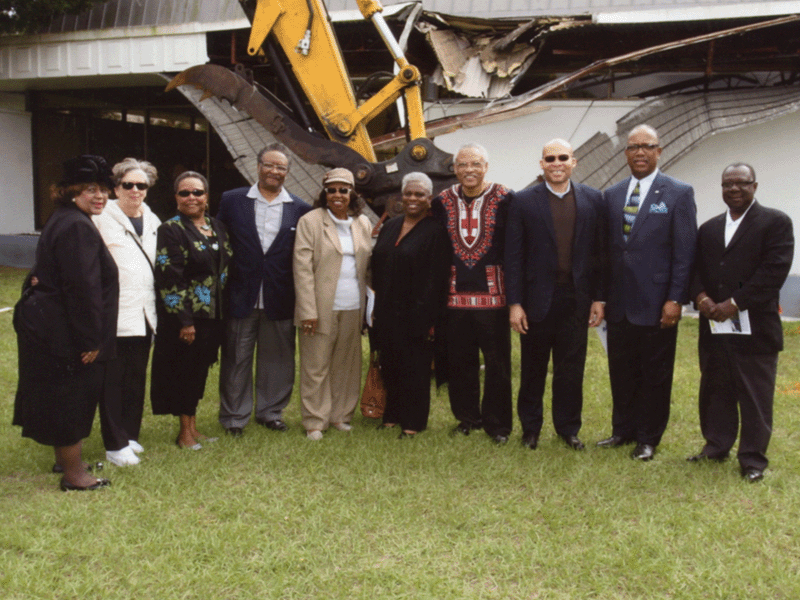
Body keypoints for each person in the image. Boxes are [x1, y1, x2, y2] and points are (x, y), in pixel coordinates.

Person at [13, 155, 117, 491]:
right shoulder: (75, 225)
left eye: (103, 189)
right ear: (71, 191)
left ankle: (66, 460)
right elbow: (82, 289)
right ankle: (74, 475)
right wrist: (91, 340)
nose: (100, 196)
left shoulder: (64, 218)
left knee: (61, 394)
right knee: (71, 396)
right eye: (91, 189)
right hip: (67, 331)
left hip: (51, 324)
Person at [688, 163, 793, 482]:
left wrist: (734, 304)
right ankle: (716, 446)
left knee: (755, 394)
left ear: (755, 186)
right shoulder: (708, 228)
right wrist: (701, 298)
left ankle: (752, 459)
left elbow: (774, 271)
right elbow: (694, 271)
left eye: (741, 183)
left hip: (756, 329)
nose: (733, 189)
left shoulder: (775, 222)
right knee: (715, 389)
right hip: (714, 328)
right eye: (727, 184)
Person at [599, 124, 697, 460]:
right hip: (619, 303)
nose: (640, 152)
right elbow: (607, 252)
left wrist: (676, 299)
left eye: (647, 146)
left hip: (657, 304)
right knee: (621, 370)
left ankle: (648, 438)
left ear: (659, 150)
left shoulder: (678, 193)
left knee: (655, 373)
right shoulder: (611, 195)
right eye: (633, 147)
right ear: (625, 153)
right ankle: (622, 431)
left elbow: (685, 253)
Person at [505, 139, 605, 451]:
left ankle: (568, 429)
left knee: (571, 370)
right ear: (542, 164)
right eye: (550, 158)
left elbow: (600, 254)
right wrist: (515, 303)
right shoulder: (523, 201)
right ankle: (530, 429)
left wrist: (599, 298)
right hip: (536, 302)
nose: (557, 163)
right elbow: (513, 256)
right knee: (533, 370)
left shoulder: (593, 199)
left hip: (575, 300)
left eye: (563, 157)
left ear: (574, 162)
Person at [217, 143, 311, 437]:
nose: (274, 171)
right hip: (240, 294)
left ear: (287, 172)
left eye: (281, 167)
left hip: (280, 296)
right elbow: (220, 244)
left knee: (278, 359)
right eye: (269, 165)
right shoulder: (233, 201)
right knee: (236, 358)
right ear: (258, 166)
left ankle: (271, 412)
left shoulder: (300, 208)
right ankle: (234, 417)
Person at [431, 143, 513, 444]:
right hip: (454, 298)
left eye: (476, 164)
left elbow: (514, 249)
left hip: (493, 297)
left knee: (497, 363)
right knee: (460, 362)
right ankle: (467, 418)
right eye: (463, 165)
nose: (469, 170)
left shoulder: (505, 199)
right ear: (454, 169)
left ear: (486, 167)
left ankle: (498, 425)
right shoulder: (441, 202)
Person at [150, 171, 232, 450]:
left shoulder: (217, 227)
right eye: (184, 193)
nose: (191, 198)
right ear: (176, 198)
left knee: (199, 372)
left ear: (207, 197)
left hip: (214, 316)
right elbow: (169, 278)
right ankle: (184, 433)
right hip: (188, 318)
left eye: (197, 192)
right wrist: (184, 321)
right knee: (184, 372)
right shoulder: (171, 230)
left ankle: (194, 428)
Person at [293, 168, 372, 441]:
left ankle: (341, 416)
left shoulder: (362, 223)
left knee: (347, 365)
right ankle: (315, 421)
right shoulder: (310, 222)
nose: (337, 195)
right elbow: (301, 270)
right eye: (332, 190)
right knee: (316, 366)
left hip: (353, 305)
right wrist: (307, 311)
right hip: (319, 307)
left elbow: (368, 267)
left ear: (352, 193)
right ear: (324, 193)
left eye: (343, 190)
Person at [371, 172, 451, 438]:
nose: (413, 199)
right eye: (409, 193)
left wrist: (426, 318)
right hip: (385, 309)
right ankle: (391, 414)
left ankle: (413, 422)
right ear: (401, 197)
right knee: (390, 364)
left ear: (429, 199)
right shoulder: (391, 225)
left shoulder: (435, 232)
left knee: (414, 369)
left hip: (417, 311)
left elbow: (436, 279)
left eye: (420, 194)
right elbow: (378, 266)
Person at [93, 158, 160, 466]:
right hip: (115, 315)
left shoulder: (153, 220)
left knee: (136, 377)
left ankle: (131, 435)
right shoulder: (101, 219)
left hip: (145, 314)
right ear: (116, 187)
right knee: (113, 381)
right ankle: (115, 443)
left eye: (141, 185)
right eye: (128, 185)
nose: (135, 190)